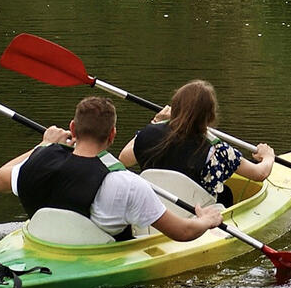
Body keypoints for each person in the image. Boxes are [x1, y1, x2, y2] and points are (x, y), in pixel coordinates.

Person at [0, 96, 222, 242]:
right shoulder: (127, 184)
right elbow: (182, 233)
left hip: (45, 246)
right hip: (94, 259)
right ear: (112, 135)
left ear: (73, 127)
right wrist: (205, 220)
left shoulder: (38, 163)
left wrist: (44, 145)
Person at [118, 80, 275, 206]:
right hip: (197, 216)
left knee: (225, 191)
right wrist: (268, 156)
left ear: (174, 108)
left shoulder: (147, 135)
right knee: (225, 193)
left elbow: (123, 159)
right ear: (210, 116)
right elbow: (259, 174)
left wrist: (155, 123)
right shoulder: (217, 149)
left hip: (157, 212)